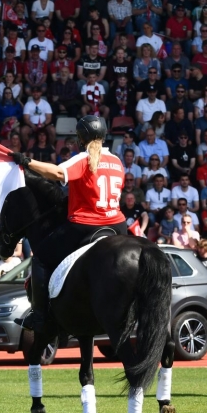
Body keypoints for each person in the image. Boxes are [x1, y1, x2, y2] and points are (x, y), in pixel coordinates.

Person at [12, 116, 127, 330]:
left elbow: (56, 173)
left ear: (81, 138)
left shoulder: (82, 159)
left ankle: (39, 315)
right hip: (117, 225)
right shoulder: (117, 161)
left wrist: (27, 162)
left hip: (86, 225)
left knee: (41, 260)